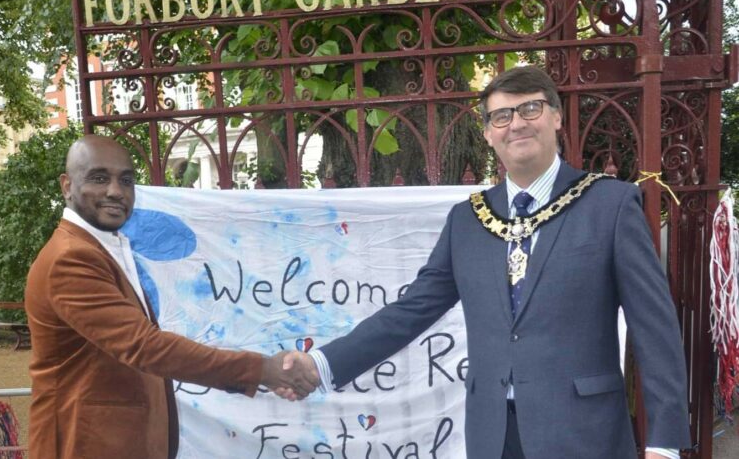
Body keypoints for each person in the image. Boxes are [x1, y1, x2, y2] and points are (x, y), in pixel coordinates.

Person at [281, 67, 691, 458]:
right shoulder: (468, 220)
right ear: (488, 134)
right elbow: (409, 311)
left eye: (530, 108)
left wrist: (665, 442)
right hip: (492, 434)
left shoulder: (609, 204)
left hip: (583, 431)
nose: (516, 124)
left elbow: (654, 328)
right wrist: (321, 364)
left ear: (556, 118)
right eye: (501, 116)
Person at [25, 135, 317, 459]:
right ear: (67, 185)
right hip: (81, 445)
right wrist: (262, 369)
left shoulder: (104, 247)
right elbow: (144, 346)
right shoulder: (71, 258)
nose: (115, 191)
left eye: (126, 180)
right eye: (98, 178)